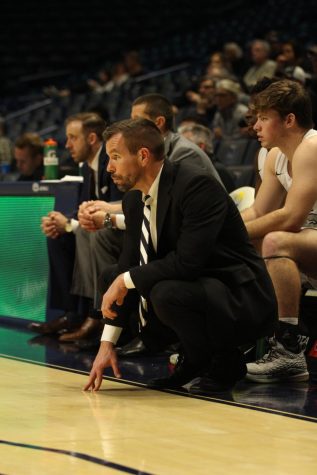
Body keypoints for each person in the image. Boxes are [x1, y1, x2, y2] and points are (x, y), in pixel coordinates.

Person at [84, 118, 277, 394]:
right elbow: (128, 264)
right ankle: (195, 355)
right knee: (113, 276)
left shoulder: (197, 185)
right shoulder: (133, 200)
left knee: (163, 292)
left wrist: (124, 280)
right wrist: (106, 345)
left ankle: (224, 360)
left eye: (115, 157)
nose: (109, 167)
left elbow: (189, 262)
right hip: (199, 287)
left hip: (238, 295)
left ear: (142, 156)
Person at [241, 79, 317, 383]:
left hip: (309, 230)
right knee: (244, 240)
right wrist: (219, 225)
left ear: (289, 120)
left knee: (274, 240)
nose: (255, 127)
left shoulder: (311, 146)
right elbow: (259, 211)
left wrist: (229, 233)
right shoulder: (276, 155)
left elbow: (291, 218)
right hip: (311, 236)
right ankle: (236, 339)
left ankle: (288, 351)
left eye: (263, 118)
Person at [30, 112, 124, 339]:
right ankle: (71, 314)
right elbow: (85, 204)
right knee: (58, 235)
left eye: (73, 138)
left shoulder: (108, 161)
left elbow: (114, 204)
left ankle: (95, 314)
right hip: (101, 225)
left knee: (83, 232)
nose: (67, 144)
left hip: (117, 228)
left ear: (91, 139)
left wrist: (71, 223)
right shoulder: (86, 167)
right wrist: (61, 221)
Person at [178, 122, 236, 192]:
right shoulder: (185, 169)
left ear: (200, 146)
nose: (179, 148)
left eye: (185, 143)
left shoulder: (219, 171)